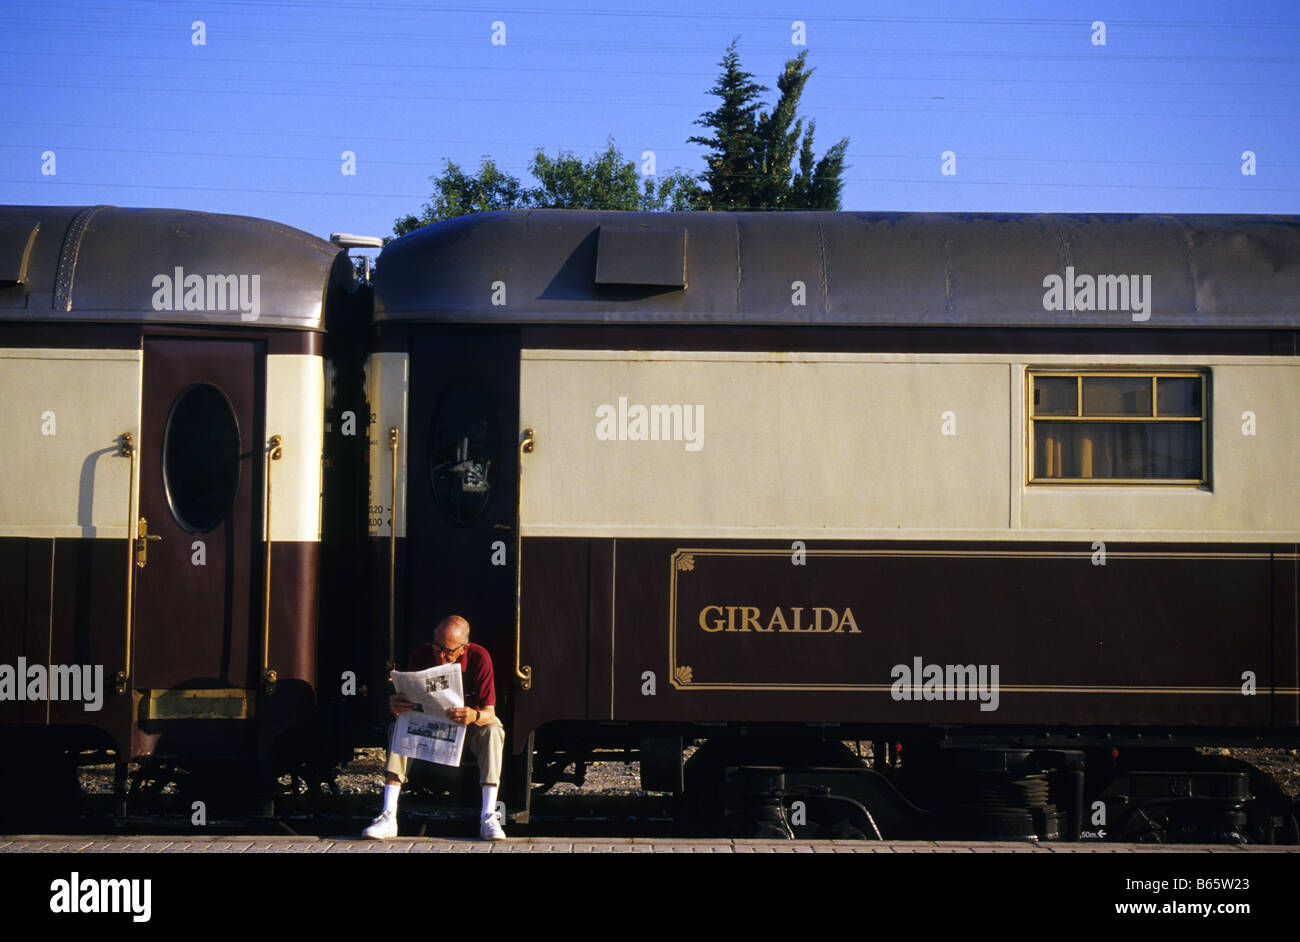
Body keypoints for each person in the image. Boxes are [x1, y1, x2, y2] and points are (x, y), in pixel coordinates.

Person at [362, 614, 507, 841]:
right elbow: (406, 703)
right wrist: (397, 705)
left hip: (465, 728)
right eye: (437, 647)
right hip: (429, 727)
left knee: (493, 730)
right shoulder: (420, 655)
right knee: (399, 726)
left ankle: (489, 815)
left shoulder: (479, 657)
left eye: (448, 651)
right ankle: (388, 815)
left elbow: (490, 712)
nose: (440, 655)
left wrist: (473, 715)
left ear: (464, 648)